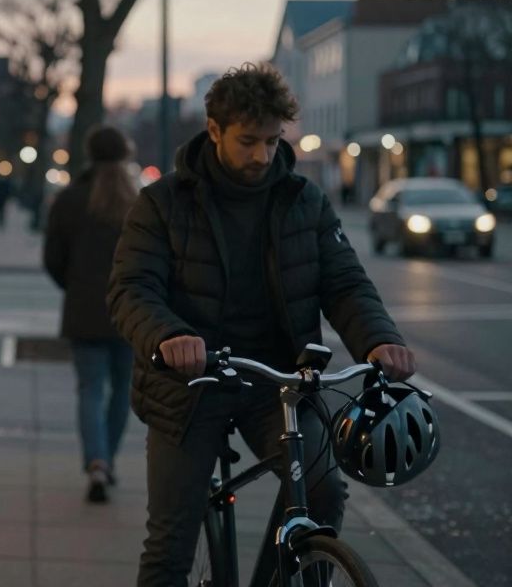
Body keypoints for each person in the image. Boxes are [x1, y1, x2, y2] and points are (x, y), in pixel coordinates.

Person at [107, 63, 417, 586]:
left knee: (322, 491)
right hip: (190, 385)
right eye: (248, 141)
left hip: (275, 383)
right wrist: (169, 336)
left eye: (272, 142)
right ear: (214, 131)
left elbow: (345, 285)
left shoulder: (303, 201)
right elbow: (131, 289)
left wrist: (381, 341)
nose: (262, 155)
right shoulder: (163, 203)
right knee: (170, 543)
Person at [43, 126, 137, 504]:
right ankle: (108, 458)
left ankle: (95, 461)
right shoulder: (137, 202)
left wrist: (76, 285)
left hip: (84, 311)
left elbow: (53, 259)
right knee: (122, 392)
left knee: (90, 390)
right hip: (129, 312)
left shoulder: (69, 199)